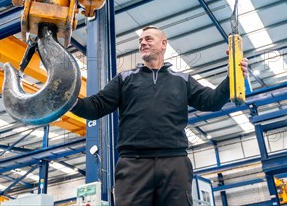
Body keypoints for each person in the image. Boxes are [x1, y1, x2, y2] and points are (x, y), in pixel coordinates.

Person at [71, 25, 248, 205]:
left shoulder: (182, 80)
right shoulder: (124, 79)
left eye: (148, 39)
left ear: (163, 44)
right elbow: (95, 106)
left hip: (174, 162)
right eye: (140, 40)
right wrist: (68, 99)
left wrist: (232, 76)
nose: (142, 43)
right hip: (133, 164)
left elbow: (212, 101)